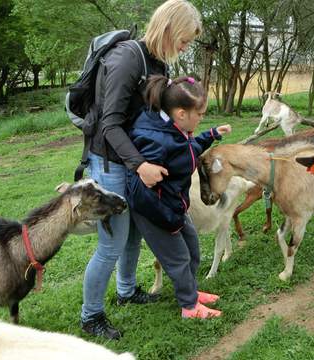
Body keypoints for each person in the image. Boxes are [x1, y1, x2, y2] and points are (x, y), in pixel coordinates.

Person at [80, 0, 202, 340]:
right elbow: (110, 125)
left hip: (133, 163)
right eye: (185, 39)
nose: (185, 46)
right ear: (171, 28)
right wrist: (142, 165)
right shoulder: (126, 59)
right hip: (110, 162)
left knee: (133, 234)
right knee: (112, 244)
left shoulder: (157, 61)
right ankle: (91, 316)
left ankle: (126, 290)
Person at [126, 75, 231, 319]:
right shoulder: (156, 141)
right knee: (178, 258)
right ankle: (189, 307)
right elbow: (142, 193)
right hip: (155, 211)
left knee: (192, 249)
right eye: (201, 113)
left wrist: (211, 134)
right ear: (182, 113)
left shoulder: (174, 130)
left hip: (172, 206)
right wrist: (167, 219)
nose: (202, 117)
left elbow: (187, 149)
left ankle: (190, 291)